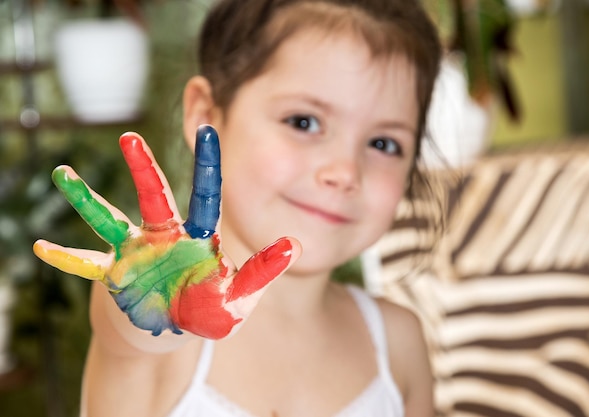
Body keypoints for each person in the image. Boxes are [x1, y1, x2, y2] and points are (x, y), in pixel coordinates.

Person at [33, 0, 443, 416]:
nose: (345, 171)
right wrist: (170, 302)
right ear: (205, 115)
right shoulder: (156, 349)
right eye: (303, 121)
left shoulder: (398, 342)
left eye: (384, 143)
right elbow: (132, 332)